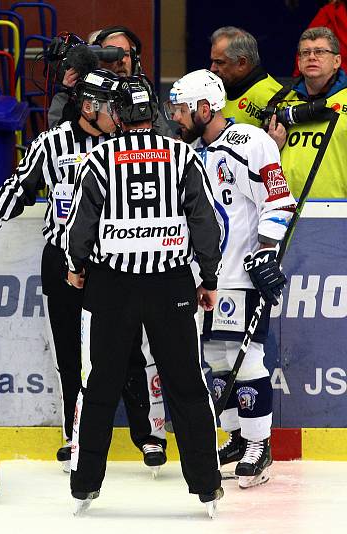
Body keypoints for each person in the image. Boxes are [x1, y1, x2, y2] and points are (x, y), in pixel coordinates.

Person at [0, 69, 169, 476]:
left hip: (114, 260)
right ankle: (74, 434)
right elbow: (20, 185)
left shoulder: (126, 142)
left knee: (129, 345)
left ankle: (147, 433)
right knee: (69, 352)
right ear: (89, 106)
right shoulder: (52, 142)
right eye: (111, 106)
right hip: (62, 259)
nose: (118, 113)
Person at [64, 74, 224, 517]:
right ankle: (207, 485)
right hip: (170, 282)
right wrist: (208, 279)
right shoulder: (182, 156)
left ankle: (85, 484)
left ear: (115, 114)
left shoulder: (98, 158)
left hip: (112, 284)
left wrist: (77, 269)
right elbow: (205, 223)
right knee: (187, 385)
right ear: (151, 112)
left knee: (101, 384)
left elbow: (80, 224)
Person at [166, 69, 296, 488]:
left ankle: (260, 444)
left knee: (248, 358)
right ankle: (238, 437)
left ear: (206, 108)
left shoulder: (250, 143)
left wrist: (264, 252)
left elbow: (279, 201)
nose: (177, 117)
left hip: (240, 273)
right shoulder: (187, 151)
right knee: (217, 360)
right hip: (203, 277)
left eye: (182, 109)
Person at [272, 26, 347, 198]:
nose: (312, 57)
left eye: (320, 51)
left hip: (337, 212)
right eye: (305, 53)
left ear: (336, 61)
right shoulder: (281, 100)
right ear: (299, 62)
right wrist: (272, 146)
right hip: (283, 210)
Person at [209, 27, 284, 128]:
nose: (212, 68)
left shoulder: (273, 98)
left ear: (242, 63)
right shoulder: (215, 90)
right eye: (212, 61)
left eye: (219, 62)